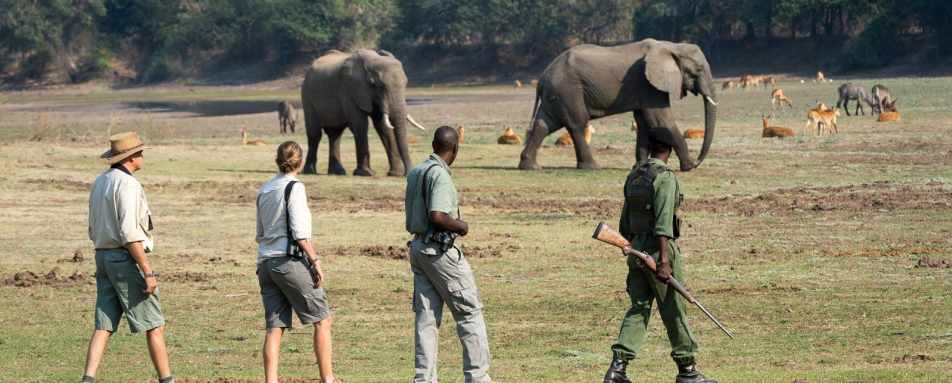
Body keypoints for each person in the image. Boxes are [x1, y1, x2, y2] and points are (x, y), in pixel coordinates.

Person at [603, 129, 717, 383]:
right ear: (671, 150)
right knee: (673, 308)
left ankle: (617, 369)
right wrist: (664, 260)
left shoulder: (634, 175)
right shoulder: (664, 177)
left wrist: (634, 249)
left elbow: (624, 223)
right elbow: (664, 222)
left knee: (639, 308)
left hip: (636, 250)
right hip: (658, 250)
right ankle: (688, 371)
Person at [83, 132, 174, 383]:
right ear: (131, 157)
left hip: (102, 256)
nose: (142, 156)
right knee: (155, 324)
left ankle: (87, 379)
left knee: (104, 324)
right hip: (124, 258)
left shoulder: (100, 181)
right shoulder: (129, 185)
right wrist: (147, 271)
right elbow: (130, 233)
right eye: (140, 153)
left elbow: (92, 227)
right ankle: (167, 380)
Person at [405, 126, 492, 383]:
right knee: (469, 312)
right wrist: (461, 226)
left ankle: (424, 379)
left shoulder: (417, 171)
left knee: (426, 318)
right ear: (455, 149)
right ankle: (478, 378)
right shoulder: (440, 175)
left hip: (419, 248)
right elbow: (438, 216)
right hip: (440, 252)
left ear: (433, 145)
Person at [255, 141, 335, 383]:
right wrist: (315, 260)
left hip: (265, 263)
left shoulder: (265, 189)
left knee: (275, 326)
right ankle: (328, 379)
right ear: (300, 161)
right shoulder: (295, 187)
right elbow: (300, 234)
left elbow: (260, 233)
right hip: (288, 261)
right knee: (322, 319)